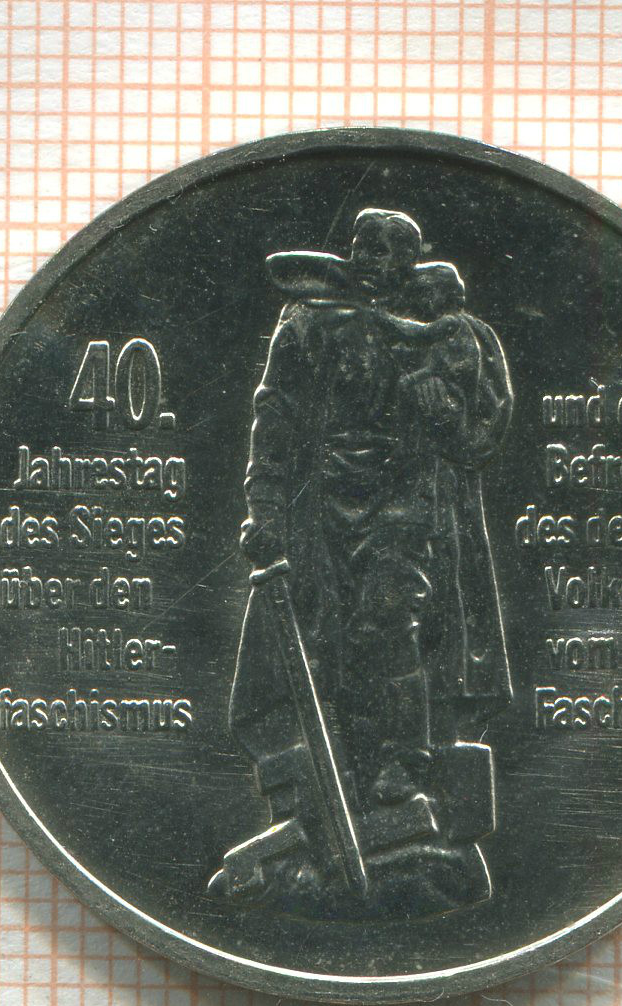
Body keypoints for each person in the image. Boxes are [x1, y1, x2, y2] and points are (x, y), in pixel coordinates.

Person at [210, 208, 514, 917]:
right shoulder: (307, 324)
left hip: (405, 507)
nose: (373, 259)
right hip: (319, 512)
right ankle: (311, 798)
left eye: (389, 248)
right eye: (363, 246)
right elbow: (273, 420)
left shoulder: (448, 336)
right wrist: (265, 510)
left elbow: (479, 436)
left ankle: (401, 776)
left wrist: (441, 411)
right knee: (316, 645)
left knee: (392, 626)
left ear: (411, 259)